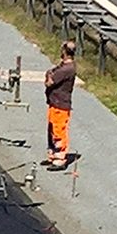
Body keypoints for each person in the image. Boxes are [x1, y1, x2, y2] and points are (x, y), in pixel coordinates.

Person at [44, 40, 76, 170]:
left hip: (60, 104)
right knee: (52, 129)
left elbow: (50, 81)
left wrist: (48, 76)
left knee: (58, 131)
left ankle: (60, 159)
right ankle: (53, 154)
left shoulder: (66, 69)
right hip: (55, 102)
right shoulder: (65, 67)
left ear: (64, 51)